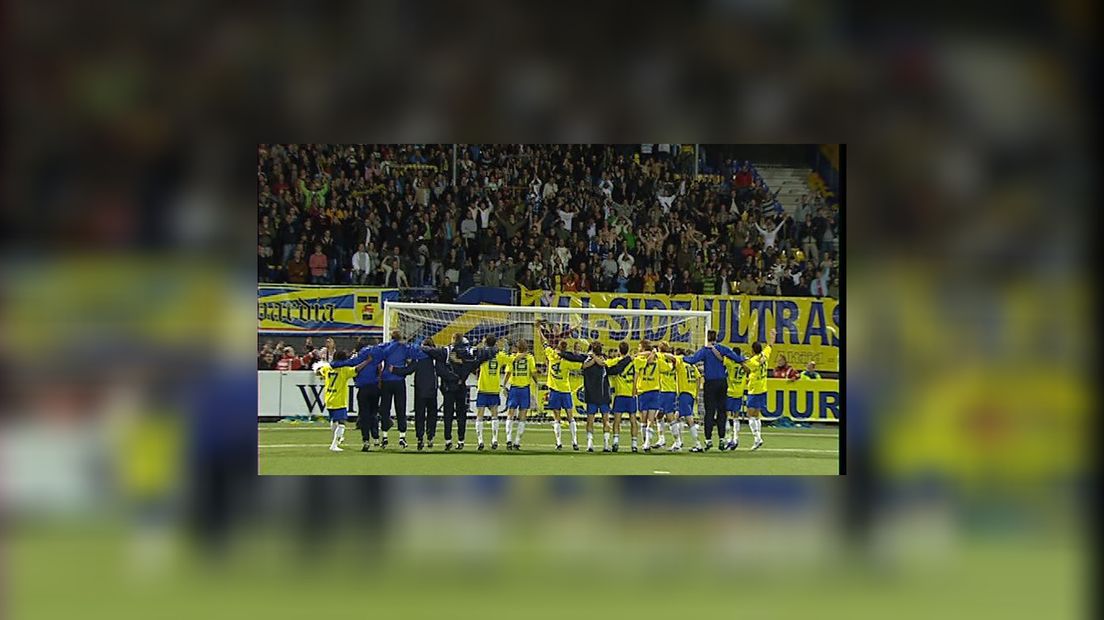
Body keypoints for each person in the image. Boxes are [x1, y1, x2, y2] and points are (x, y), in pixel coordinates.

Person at [682, 330, 745, 451]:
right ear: (716, 337)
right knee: (722, 411)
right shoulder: (722, 348)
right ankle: (722, 439)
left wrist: (681, 358)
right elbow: (736, 358)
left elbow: (692, 360)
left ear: (707, 337)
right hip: (722, 383)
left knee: (709, 412)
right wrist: (744, 359)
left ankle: (708, 440)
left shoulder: (705, 350)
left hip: (710, 384)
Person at [419, 334, 476, 450]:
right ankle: (460, 440)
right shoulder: (467, 353)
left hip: (449, 387)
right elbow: (471, 365)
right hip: (460, 387)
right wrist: (461, 378)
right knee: (461, 415)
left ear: (453, 340)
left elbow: (440, 369)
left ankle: (448, 440)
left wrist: (420, 347)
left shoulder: (445, 351)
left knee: (448, 415)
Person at [537, 321, 585, 451]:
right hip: (565, 391)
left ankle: (559, 443)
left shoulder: (551, 355)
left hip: (554, 391)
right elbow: (582, 366)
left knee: (556, 418)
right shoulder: (568, 362)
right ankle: (575, 442)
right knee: (570, 417)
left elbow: (544, 342)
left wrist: (538, 331)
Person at [389, 337, 442, 451]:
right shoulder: (436, 357)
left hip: (420, 390)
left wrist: (394, 370)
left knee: (420, 415)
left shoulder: (418, 357)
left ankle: (420, 438)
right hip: (432, 389)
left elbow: (408, 370)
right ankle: (430, 437)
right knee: (432, 414)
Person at [312, 352, 373, 452]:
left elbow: (319, 371)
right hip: (339, 400)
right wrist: (367, 361)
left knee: (334, 420)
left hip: (329, 398)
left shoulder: (327, 368)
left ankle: (337, 439)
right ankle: (334, 444)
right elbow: (356, 369)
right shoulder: (344, 370)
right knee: (342, 423)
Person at [472, 334, 513, 450]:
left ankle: (480, 441)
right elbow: (511, 359)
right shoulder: (499, 355)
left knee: (479, 415)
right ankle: (494, 439)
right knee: (494, 415)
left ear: (485, 343)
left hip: (483, 387)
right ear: (495, 343)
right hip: (494, 388)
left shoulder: (482, 353)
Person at [743, 329, 776, 451]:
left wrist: (741, 361)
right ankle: (758, 438)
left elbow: (747, 369)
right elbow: (770, 345)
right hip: (763, 388)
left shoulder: (753, 361)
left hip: (754, 389)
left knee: (750, 415)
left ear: (752, 350)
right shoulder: (765, 355)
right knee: (756, 415)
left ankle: (757, 438)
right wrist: (772, 336)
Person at [603, 341, 639, 452]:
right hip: (631, 395)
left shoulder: (615, 361)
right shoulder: (635, 362)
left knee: (617, 419)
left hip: (620, 394)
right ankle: (634, 444)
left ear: (619, 350)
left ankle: (615, 442)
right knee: (633, 419)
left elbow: (605, 364)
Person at [502, 340, 536, 450]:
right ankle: (517, 441)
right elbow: (533, 372)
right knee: (523, 416)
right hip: (524, 389)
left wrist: (503, 385)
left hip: (514, 388)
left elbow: (508, 372)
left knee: (510, 413)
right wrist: (537, 382)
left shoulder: (512, 358)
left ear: (517, 348)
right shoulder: (530, 358)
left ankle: (508, 439)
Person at [670, 348, 702, 451]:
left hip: (684, 393)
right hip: (691, 394)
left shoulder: (680, 362)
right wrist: (696, 394)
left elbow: (674, 359)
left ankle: (698, 444)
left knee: (689, 419)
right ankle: (678, 443)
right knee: (676, 417)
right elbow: (699, 378)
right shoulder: (692, 365)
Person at [634, 341, 664, 452]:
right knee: (650, 419)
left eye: (639, 346)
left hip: (644, 391)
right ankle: (646, 442)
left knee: (644, 418)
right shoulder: (658, 359)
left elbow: (642, 361)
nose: (638, 348)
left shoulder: (639, 360)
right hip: (654, 390)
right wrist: (653, 353)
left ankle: (646, 442)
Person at [653, 342, 679, 449]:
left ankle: (677, 442)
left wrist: (656, 352)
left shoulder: (660, 359)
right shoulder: (673, 360)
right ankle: (662, 439)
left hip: (666, 391)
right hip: (667, 391)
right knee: (659, 415)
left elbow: (654, 355)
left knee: (669, 416)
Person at [722, 349, 749, 450]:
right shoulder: (744, 364)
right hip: (739, 392)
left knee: (725, 415)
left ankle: (729, 438)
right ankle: (736, 439)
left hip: (729, 392)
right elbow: (749, 369)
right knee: (736, 417)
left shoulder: (730, 363)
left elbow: (722, 357)